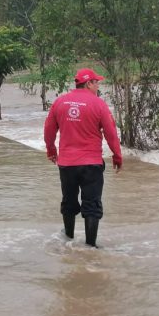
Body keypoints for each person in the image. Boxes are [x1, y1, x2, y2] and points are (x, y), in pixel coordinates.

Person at [44, 68, 122, 247]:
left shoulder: (60, 102)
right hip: (91, 165)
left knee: (69, 201)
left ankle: (68, 238)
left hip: (67, 164)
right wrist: (117, 156)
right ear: (88, 83)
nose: (98, 86)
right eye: (96, 83)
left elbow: (49, 129)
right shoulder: (98, 104)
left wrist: (51, 150)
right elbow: (111, 133)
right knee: (92, 204)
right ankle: (90, 246)